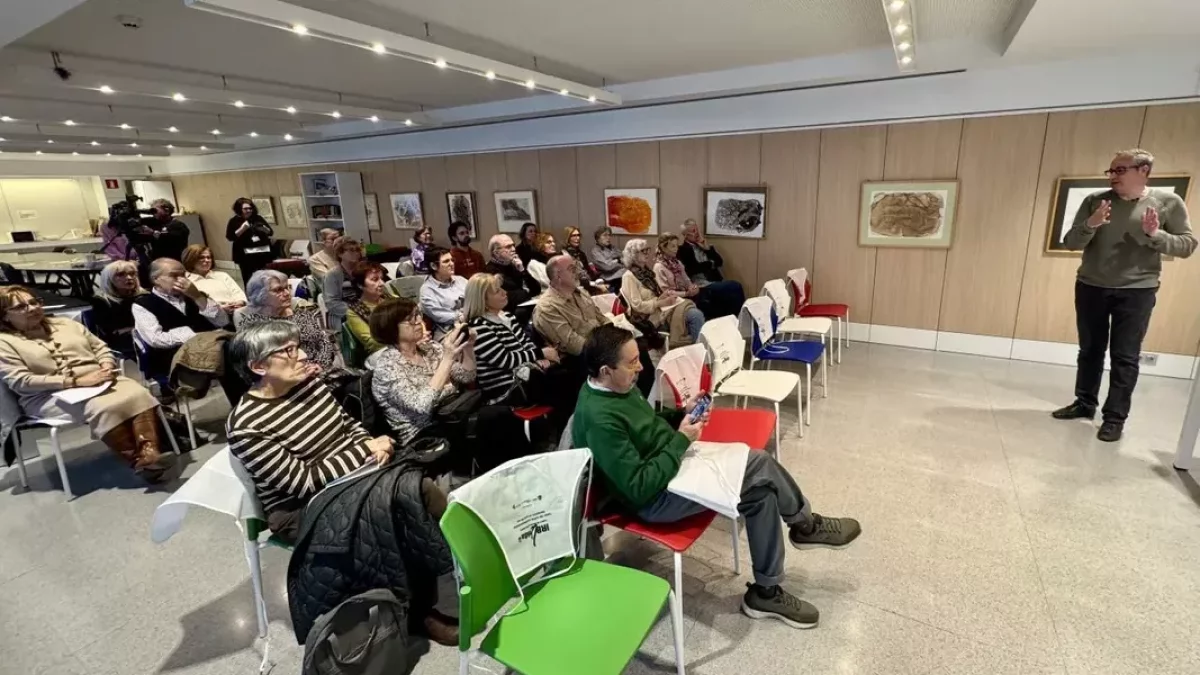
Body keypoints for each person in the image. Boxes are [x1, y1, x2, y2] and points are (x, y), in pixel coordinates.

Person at [572, 324, 861, 629]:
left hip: (669, 468)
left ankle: (766, 592)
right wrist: (681, 440)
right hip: (653, 499)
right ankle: (805, 524)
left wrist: (682, 413)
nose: (641, 367)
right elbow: (638, 488)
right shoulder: (599, 418)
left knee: (760, 494)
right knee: (758, 462)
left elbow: (645, 425)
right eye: (632, 363)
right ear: (605, 371)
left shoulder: (618, 387)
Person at [1053, 148, 1196, 442]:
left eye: (1120, 170)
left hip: (1137, 291)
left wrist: (1156, 234)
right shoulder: (1096, 201)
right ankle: (1084, 403)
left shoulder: (1168, 203)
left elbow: (1187, 245)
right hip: (1091, 285)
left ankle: (1114, 418)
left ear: (1143, 171)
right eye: (1111, 171)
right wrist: (1091, 224)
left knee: (1125, 356)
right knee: (1090, 350)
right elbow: (1071, 242)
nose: (1113, 176)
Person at [225, 321, 394, 541]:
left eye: (297, 346)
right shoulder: (246, 424)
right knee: (394, 506)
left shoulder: (309, 384)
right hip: (300, 506)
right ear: (258, 367)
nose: (303, 355)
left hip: (351, 476)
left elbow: (348, 425)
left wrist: (373, 454)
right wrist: (365, 450)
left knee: (412, 487)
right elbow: (302, 483)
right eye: (289, 350)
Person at [0, 285, 177, 483]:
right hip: (47, 395)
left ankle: (149, 454)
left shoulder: (66, 324)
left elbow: (100, 347)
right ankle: (138, 460)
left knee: (138, 393)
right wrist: (74, 382)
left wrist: (107, 365)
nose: (32, 308)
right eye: (21, 307)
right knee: (102, 406)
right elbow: (21, 381)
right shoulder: (4, 343)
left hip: (98, 379)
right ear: (5, 316)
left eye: (34, 302)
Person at [369, 298, 532, 470]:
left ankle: (519, 469)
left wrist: (468, 347)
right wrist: (447, 359)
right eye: (410, 319)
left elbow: (466, 376)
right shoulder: (387, 367)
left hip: (454, 412)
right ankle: (512, 471)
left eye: (418, 315)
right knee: (495, 419)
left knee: (501, 416)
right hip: (424, 432)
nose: (418, 321)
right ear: (390, 328)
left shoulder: (429, 348)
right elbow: (422, 406)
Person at [532, 255, 655, 395]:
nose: (578, 271)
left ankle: (640, 398)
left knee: (637, 346)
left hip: (600, 343)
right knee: (626, 358)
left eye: (576, 267)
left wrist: (614, 338)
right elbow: (574, 345)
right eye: (572, 269)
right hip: (580, 358)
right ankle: (627, 398)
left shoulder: (581, 293)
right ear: (558, 276)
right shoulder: (547, 308)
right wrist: (609, 346)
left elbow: (602, 319)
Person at [131, 258, 244, 405]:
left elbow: (222, 321)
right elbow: (156, 339)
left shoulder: (195, 295)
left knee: (240, 350)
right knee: (231, 356)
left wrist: (197, 297)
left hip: (211, 348)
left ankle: (246, 403)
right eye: (174, 275)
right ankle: (243, 405)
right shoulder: (143, 304)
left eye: (183, 275)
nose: (181, 280)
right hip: (175, 355)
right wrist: (195, 335)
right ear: (156, 279)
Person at [240, 270, 337, 371]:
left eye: (287, 287)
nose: (287, 293)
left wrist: (320, 364)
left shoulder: (301, 313)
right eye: (278, 290)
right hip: (287, 376)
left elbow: (324, 341)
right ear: (260, 295)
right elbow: (265, 362)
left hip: (319, 370)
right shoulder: (253, 326)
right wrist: (301, 371)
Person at [622, 239, 705, 345]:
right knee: (695, 316)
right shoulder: (629, 276)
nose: (647, 253)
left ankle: (696, 346)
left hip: (661, 308)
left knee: (695, 313)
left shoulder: (646, 272)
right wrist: (660, 302)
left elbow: (655, 296)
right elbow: (637, 306)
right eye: (643, 251)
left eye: (647, 249)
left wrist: (664, 296)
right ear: (633, 254)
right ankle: (697, 347)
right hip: (649, 317)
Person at [655, 233, 743, 319]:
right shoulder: (659, 267)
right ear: (664, 248)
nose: (676, 249)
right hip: (676, 299)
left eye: (677, 246)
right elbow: (666, 292)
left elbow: (687, 279)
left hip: (691, 292)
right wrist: (686, 293)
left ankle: (735, 321)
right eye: (673, 246)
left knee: (730, 292)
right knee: (726, 291)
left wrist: (692, 287)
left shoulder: (677, 262)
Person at [90, 260, 144, 356]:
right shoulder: (101, 301)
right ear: (109, 279)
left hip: (144, 336)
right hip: (120, 342)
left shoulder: (144, 295)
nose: (129, 278)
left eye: (132, 274)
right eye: (121, 275)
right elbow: (112, 331)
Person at [484, 234, 540, 318]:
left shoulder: (514, 265)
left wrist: (522, 270)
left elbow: (536, 290)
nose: (513, 249)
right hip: (505, 312)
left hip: (523, 305)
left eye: (513, 245)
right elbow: (507, 297)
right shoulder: (490, 271)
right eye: (508, 247)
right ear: (496, 253)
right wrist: (526, 292)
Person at [420, 247, 467, 339]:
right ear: (433, 266)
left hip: (471, 322)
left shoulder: (461, 280)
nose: (452, 264)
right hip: (447, 332)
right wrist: (465, 315)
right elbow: (439, 316)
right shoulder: (427, 290)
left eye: (452, 260)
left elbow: (476, 296)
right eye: (446, 261)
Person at [182, 245, 246, 313]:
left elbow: (238, 293)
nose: (207, 260)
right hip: (210, 316)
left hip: (236, 311)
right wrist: (220, 309)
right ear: (191, 260)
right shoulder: (187, 281)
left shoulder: (222, 275)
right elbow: (193, 308)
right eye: (201, 257)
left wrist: (240, 302)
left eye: (209, 257)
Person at [226, 198, 275, 283]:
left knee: (265, 278)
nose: (248, 210)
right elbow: (230, 237)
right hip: (245, 256)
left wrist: (264, 229)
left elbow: (270, 232)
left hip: (262, 252)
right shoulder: (234, 221)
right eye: (245, 209)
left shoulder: (258, 218)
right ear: (239, 209)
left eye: (250, 208)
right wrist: (242, 229)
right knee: (249, 279)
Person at [346, 261, 388, 356]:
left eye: (382, 279)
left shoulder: (390, 298)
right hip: (381, 353)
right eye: (375, 279)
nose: (382, 283)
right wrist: (402, 336)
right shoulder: (354, 311)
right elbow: (372, 342)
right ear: (360, 285)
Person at [322, 238, 364, 331]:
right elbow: (331, 303)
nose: (356, 253)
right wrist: (357, 312)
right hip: (343, 318)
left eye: (357, 250)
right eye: (351, 250)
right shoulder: (332, 275)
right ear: (340, 254)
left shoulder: (363, 271)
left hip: (366, 313)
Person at [145, 198, 191, 263]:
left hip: (175, 262)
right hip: (159, 262)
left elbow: (170, 239)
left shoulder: (178, 225)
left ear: (167, 210)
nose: (153, 214)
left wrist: (153, 232)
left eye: (155, 210)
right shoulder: (157, 225)